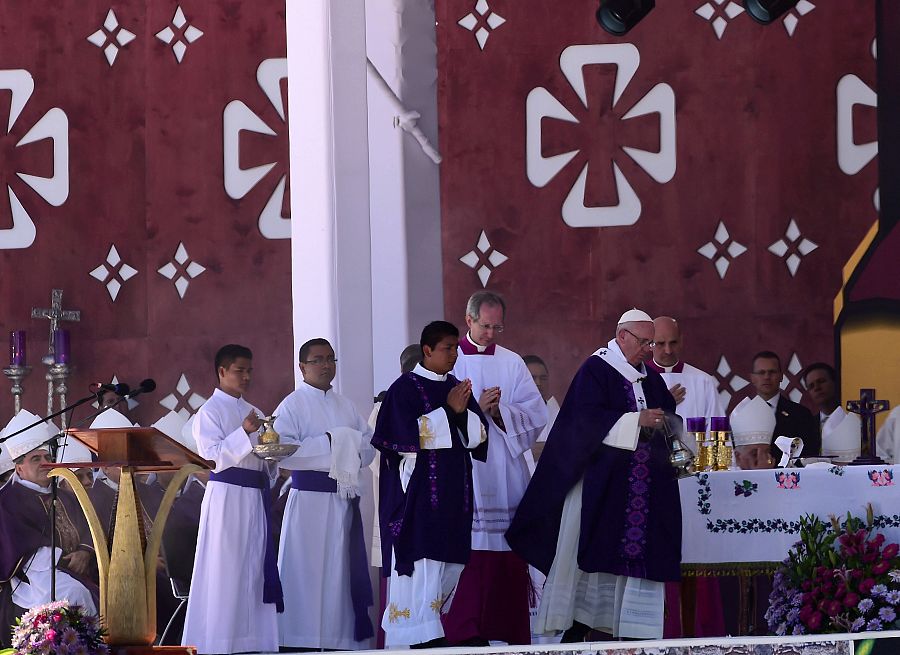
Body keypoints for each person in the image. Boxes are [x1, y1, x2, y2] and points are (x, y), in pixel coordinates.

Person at [507, 309, 679, 642]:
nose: (650, 350)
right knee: (594, 565)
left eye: (652, 343)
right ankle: (575, 636)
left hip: (642, 493)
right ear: (622, 336)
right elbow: (583, 422)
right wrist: (634, 421)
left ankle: (634, 640)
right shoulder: (597, 370)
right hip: (600, 490)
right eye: (645, 342)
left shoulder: (651, 377)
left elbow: (668, 416)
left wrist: (666, 422)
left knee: (635, 566)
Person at [372, 320, 488, 648]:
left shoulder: (456, 386)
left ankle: (432, 627)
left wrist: (463, 413)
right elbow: (401, 438)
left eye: (455, 348)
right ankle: (418, 637)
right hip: (418, 496)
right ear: (427, 350)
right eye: (447, 349)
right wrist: (450, 411)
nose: (454, 354)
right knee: (422, 563)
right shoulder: (404, 388)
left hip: (454, 494)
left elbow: (477, 437)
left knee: (446, 563)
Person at [443, 291, 547, 646]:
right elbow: (431, 417)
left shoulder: (512, 362)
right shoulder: (448, 360)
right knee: (468, 552)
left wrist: (501, 412)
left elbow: (536, 414)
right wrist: (476, 409)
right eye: (485, 325)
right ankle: (464, 632)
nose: (490, 333)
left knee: (505, 551)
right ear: (468, 320)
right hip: (465, 468)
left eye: (497, 326)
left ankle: (508, 629)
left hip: (504, 467)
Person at [274, 338, 376, 649]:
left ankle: (338, 638)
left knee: (340, 573)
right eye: (317, 360)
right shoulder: (291, 405)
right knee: (305, 570)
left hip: (342, 501)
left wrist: (343, 443)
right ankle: (300, 638)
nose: (325, 365)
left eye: (330, 359)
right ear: (302, 366)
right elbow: (284, 452)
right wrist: (334, 442)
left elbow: (369, 448)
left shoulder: (345, 405)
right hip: (308, 502)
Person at [181, 344, 282, 655]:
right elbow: (211, 459)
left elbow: (262, 460)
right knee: (226, 567)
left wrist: (271, 457)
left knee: (253, 565)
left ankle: (255, 640)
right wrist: (245, 433)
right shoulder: (208, 413)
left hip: (254, 497)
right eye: (240, 370)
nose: (247, 376)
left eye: (250, 370)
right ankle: (219, 641)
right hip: (226, 498)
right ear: (222, 371)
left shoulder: (255, 411)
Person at [0, 410, 98, 648]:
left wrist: (85, 551)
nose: (45, 463)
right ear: (19, 467)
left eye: (47, 456)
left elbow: (89, 528)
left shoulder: (66, 494)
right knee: (73, 593)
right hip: (33, 579)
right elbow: (17, 549)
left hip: (81, 569)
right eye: (36, 459)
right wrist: (64, 561)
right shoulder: (6, 501)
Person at [646, 316, 725, 454]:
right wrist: (665, 402)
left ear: (681, 341)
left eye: (673, 342)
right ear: (650, 344)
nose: (668, 350)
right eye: (660, 343)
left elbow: (716, 428)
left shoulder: (703, 381)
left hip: (696, 465)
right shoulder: (638, 378)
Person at [735, 351, 820, 468]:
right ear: (752, 378)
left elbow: (810, 455)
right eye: (761, 372)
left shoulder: (801, 414)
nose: (766, 377)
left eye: (772, 372)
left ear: (781, 376)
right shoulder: (740, 415)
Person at [803, 362, 861, 461]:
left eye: (821, 381)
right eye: (811, 386)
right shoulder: (807, 426)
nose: (817, 388)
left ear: (835, 383)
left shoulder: (853, 420)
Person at [522, 355, 560, 471]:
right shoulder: (507, 414)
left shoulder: (558, 415)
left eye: (543, 378)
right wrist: (529, 455)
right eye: (532, 378)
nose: (538, 383)